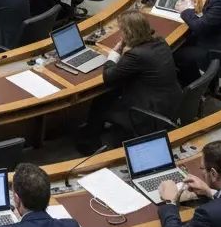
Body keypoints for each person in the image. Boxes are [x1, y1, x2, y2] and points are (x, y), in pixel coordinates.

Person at [76, 10, 182, 152]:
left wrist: (115, 53)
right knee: (112, 94)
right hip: (170, 101)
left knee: (100, 103)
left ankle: (89, 144)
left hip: (148, 111)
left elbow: (108, 77)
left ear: (128, 33)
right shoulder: (160, 42)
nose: (120, 34)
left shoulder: (136, 55)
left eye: (122, 31)